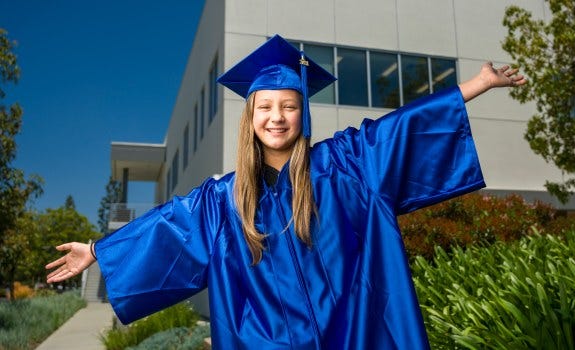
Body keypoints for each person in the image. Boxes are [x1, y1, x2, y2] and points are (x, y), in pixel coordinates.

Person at [46, 35, 526, 349]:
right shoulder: (224, 201)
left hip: (350, 332)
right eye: (266, 107)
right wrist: (97, 250)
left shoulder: (346, 165)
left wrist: (478, 84)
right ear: (250, 118)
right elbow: (170, 227)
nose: (277, 117)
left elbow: (401, 127)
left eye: (289, 106)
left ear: (304, 114)